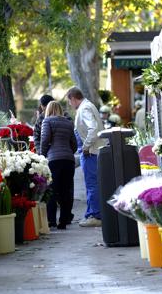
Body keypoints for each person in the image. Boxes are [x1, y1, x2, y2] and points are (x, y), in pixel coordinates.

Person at [66, 86, 106, 227]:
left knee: (92, 184)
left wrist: (86, 146)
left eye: (69, 101)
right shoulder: (88, 106)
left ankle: (95, 215)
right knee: (92, 184)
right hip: (93, 152)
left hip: (91, 152)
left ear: (73, 98)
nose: (70, 105)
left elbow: (93, 128)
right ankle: (91, 214)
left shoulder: (84, 108)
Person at [40, 101, 77, 229]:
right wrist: (68, 152)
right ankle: (64, 221)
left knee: (52, 191)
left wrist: (42, 155)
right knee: (65, 191)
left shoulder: (47, 121)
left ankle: (52, 221)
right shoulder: (68, 122)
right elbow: (74, 144)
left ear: (48, 110)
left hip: (54, 160)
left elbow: (45, 140)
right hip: (69, 160)